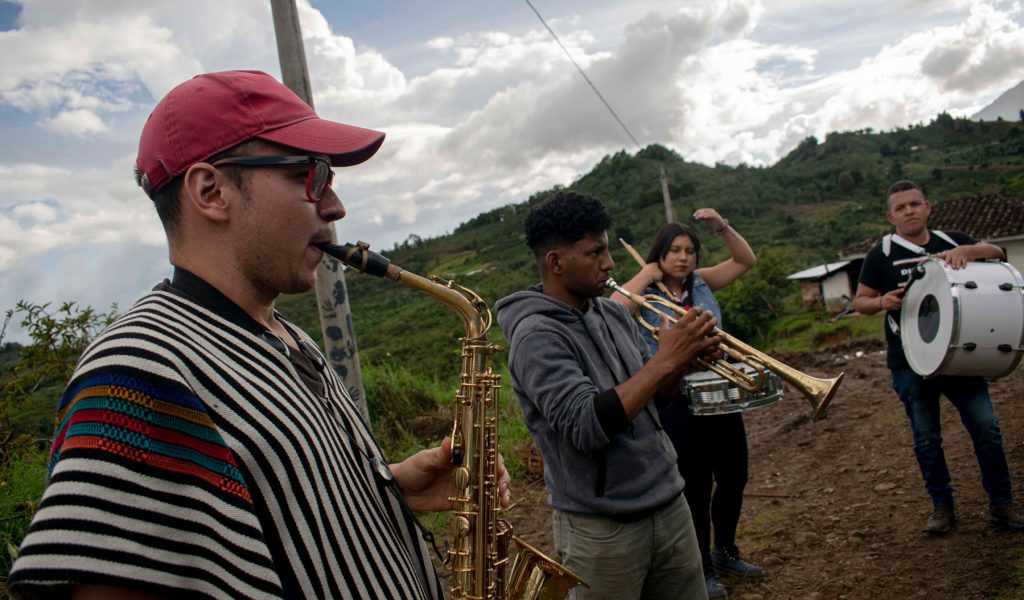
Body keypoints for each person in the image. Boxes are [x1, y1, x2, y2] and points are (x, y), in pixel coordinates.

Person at [7, 70, 511, 600]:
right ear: (211, 191)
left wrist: (389, 491)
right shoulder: (139, 368)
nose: (335, 206)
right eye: (309, 175)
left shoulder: (290, 338)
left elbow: (262, 519)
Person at [495, 190, 722, 600]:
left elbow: (651, 403)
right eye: (595, 252)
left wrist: (681, 364)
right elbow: (586, 425)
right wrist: (663, 362)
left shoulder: (614, 313)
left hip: (670, 501)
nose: (610, 263)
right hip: (602, 528)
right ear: (556, 263)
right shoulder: (535, 336)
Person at [854, 179, 1024, 535]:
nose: (909, 211)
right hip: (909, 360)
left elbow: (997, 253)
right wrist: (883, 302)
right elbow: (861, 301)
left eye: (915, 204)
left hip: (962, 357)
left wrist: (970, 253)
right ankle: (942, 508)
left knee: (987, 428)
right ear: (891, 216)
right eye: (901, 208)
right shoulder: (881, 253)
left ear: (928, 206)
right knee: (927, 438)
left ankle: (1002, 504)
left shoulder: (953, 239)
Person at [611, 210, 761, 599]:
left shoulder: (702, 282)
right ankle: (704, 569)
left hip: (718, 391)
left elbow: (746, 261)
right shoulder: (642, 292)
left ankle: (725, 550)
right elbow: (613, 309)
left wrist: (723, 227)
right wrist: (646, 275)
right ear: (659, 254)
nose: (683, 257)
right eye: (674, 250)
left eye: (690, 250)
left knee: (734, 476)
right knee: (694, 485)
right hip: (675, 399)